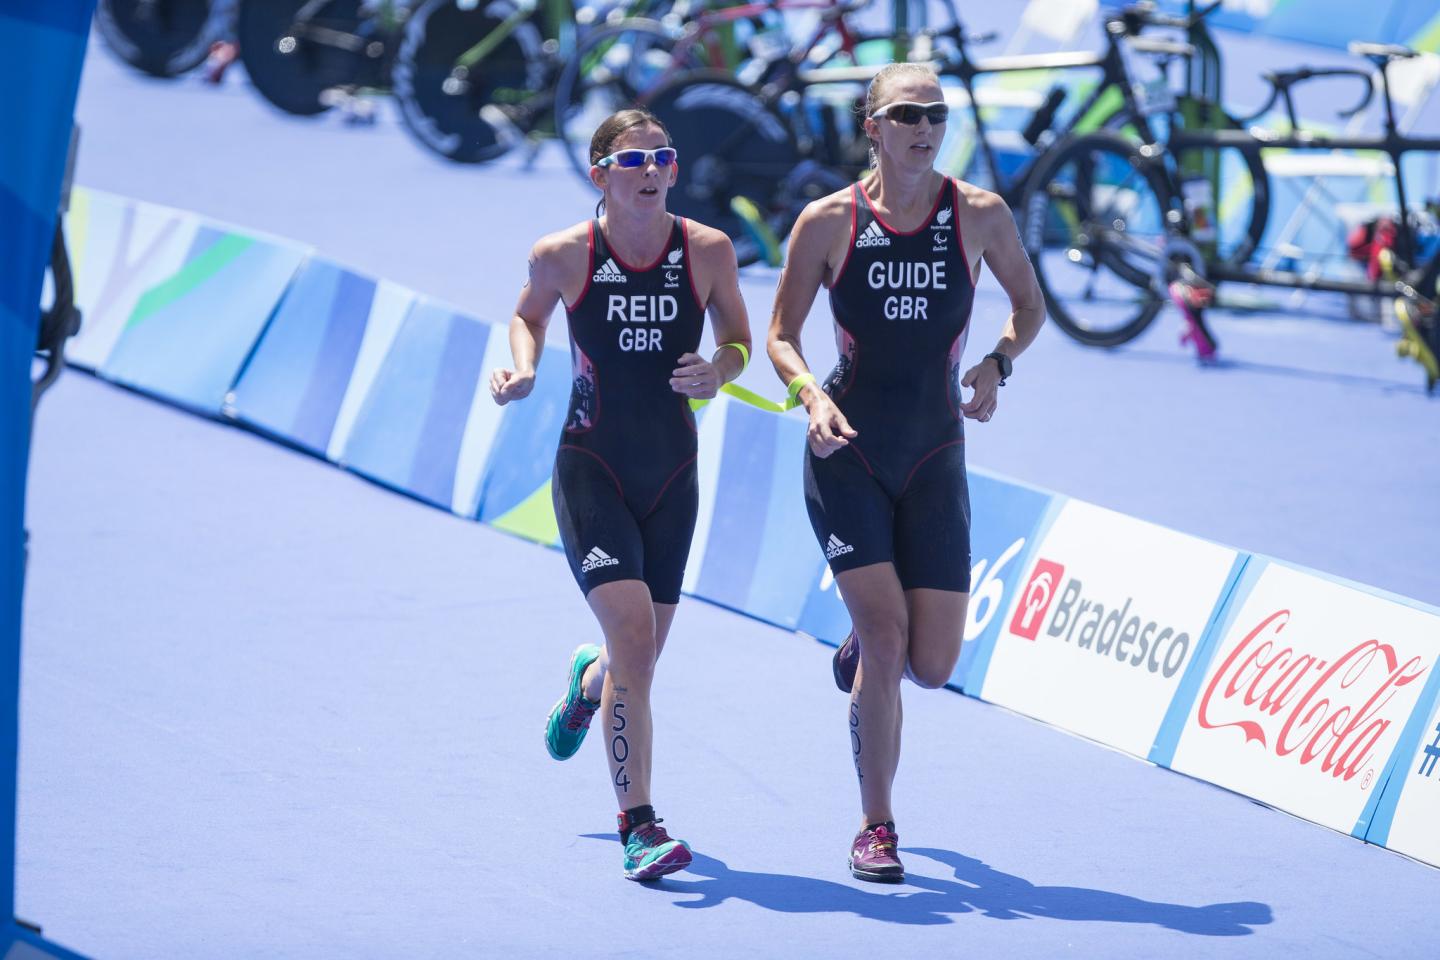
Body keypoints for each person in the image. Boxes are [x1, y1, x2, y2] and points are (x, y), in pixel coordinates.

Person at [766, 63, 1045, 883]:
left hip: (934, 456)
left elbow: (1030, 307)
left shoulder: (980, 215)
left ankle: (864, 644)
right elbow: (783, 335)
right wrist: (810, 396)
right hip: (844, 449)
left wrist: (998, 362)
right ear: (873, 128)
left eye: (937, 113)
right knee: (890, 644)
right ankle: (876, 826)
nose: (925, 126)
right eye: (907, 113)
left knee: (930, 667)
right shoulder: (827, 222)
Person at [490, 108, 751, 881]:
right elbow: (526, 316)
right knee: (635, 640)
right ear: (600, 173)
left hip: (672, 475)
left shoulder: (707, 251)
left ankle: (588, 684)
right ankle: (640, 826)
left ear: (674, 171)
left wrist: (720, 370)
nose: (649, 172)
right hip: (592, 467)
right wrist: (525, 367)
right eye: (632, 161)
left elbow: (738, 340)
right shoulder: (565, 253)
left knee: (635, 660)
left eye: (662, 159)